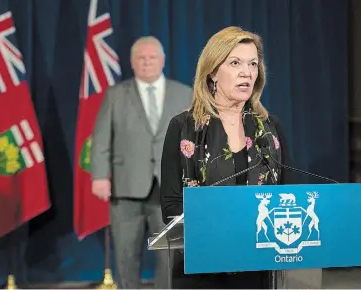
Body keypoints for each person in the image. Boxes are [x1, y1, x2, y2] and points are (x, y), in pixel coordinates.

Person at [160, 26, 294, 289]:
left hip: (259, 266)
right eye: (235, 63)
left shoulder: (271, 127)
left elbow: (288, 194)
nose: (247, 72)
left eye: (253, 64)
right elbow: (172, 205)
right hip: (203, 271)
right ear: (212, 72)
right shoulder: (184, 127)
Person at [90, 36, 192, 289]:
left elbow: (194, 140)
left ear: (163, 61)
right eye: (141, 58)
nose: (147, 62)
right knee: (126, 256)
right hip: (125, 190)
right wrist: (99, 176)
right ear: (132, 62)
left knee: (171, 255)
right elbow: (101, 139)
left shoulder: (184, 94)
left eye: (152, 57)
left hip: (170, 190)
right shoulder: (115, 95)